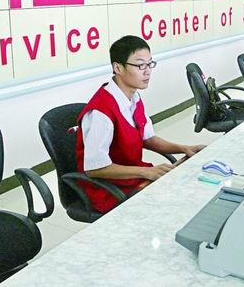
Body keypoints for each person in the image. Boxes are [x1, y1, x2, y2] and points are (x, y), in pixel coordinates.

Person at [76, 35, 205, 214]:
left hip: (132, 177)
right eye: (140, 65)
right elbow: (95, 169)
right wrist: (145, 172)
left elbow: (148, 139)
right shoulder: (100, 112)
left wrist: (184, 148)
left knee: (185, 188)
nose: (147, 71)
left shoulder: (133, 97)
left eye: (150, 64)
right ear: (118, 68)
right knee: (174, 204)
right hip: (107, 189)